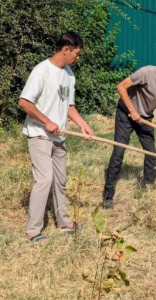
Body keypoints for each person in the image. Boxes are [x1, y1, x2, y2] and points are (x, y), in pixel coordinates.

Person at [18, 31, 94, 243]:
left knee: (60, 180)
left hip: (59, 137)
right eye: (76, 54)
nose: (77, 58)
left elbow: (69, 106)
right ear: (66, 49)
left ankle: (63, 222)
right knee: (45, 179)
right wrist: (46, 121)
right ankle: (32, 231)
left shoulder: (69, 74)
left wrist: (83, 125)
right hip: (39, 134)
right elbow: (24, 102)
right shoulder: (42, 71)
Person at [102, 59, 156, 209]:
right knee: (119, 152)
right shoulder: (147, 72)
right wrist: (132, 111)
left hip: (145, 118)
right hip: (125, 114)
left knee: (151, 153)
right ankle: (108, 197)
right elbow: (120, 87)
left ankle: (148, 190)